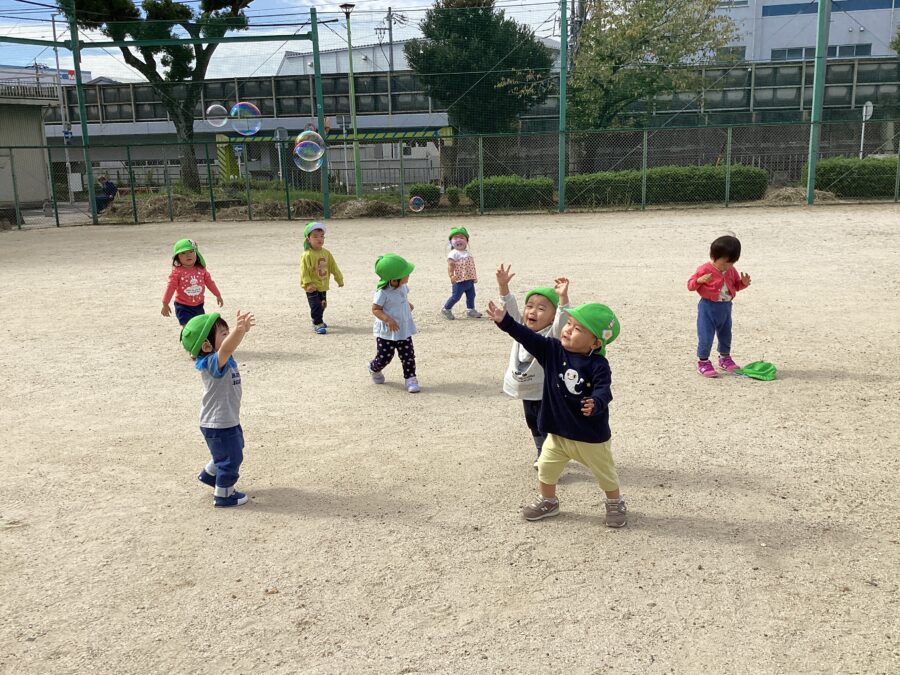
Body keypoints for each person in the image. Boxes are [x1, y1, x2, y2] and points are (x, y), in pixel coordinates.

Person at [486, 299, 627, 527]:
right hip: (557, 432)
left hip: (590, 436)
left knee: (605, 473)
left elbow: (604, 390)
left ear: (595, 342)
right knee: (546, 467)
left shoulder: (598, 365)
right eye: (569, 323)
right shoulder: (551, 350)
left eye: (578, 328)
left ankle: (614, 502)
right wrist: (506, 322)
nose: (568, 329)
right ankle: (549, 500)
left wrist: (596, 402)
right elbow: (527, 336)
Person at [496, 263, 571, 468]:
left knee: (546, 423)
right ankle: (542, 450)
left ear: (553, 316)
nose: (533, 311)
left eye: (541, 308)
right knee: (532, 422)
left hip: (547, 390)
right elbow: (509, 312)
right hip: (527, 389)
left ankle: (549, 456)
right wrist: (503, 287)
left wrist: (563, 299)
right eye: (529, 306)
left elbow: (563, 318)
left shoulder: (553, 334)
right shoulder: (520, 329)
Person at [180, 309, 256, 508]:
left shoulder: (220, 359)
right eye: (223, 333)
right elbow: (227, 348)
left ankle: (210, 474)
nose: (228, 335)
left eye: (228, 332)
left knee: (233, 448)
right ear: (206, 345)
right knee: (232, 457)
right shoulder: (213, 362)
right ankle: (224, 494)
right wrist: (239, 331)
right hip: (219, 422)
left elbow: (227, 347)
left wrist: (239, 332)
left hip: (224, 420)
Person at [687, 234, 752, 377]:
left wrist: (743, 283)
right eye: (724, 263)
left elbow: (735, 286)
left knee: (726, 334)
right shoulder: (705, 269)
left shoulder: (731, 270)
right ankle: (703, 361)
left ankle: (724, 358)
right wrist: (699, 280)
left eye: (731, 263)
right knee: (706, 335)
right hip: (708, 307)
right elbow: (690, 285)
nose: (728, 266)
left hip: (726, 307)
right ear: (714, 256)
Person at [367, 254, 419, 393]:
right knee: (385, 357)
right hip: (387, 332)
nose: (408, 275)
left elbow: (401, 298)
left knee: (408, 356)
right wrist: (388, 319)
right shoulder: (382, 292)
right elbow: (376, 309)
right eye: (406, 274)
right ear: (394, 279)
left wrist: (407, 305)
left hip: (403, 329)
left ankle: (411, 378)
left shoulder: (403, 286)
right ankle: (374, 368)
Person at [161, 239, 224, 326]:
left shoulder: (201, 269)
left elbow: (210, 282)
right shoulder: (177, 272)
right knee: (188, 327)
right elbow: (170, 287)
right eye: (183, 253)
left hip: (199, 305)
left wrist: (218, 295)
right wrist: (165, 303)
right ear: (177, 257)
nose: (188, 255)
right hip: (183, 306)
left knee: (199, 326)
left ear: (197, 254)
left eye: (191, 251)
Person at [300, 222, 344, 335]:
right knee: (315, 305)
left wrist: (339, 279)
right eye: (315, 236)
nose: (319, 239)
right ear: (308, 239)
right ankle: (317, 322)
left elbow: (333, 267)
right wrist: (308, 283)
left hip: (323, 285)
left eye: (322, 236)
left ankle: (319, 318)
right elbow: (304, 271)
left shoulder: (326, 253)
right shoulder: (307, 255)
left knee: (322, 304)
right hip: (312, 287)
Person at [441, 227, 482, 319]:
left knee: (471, 295)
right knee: (456, 296)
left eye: (462, 238)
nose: (459, 240)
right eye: (455, 238)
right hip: (459, 280)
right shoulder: (453, 253)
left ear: (467, 241)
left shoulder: (467, 252)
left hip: (469, 279)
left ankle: (471, 310)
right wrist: (451, 275)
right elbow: (450, 265)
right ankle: (446, 308)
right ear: (451, 242)